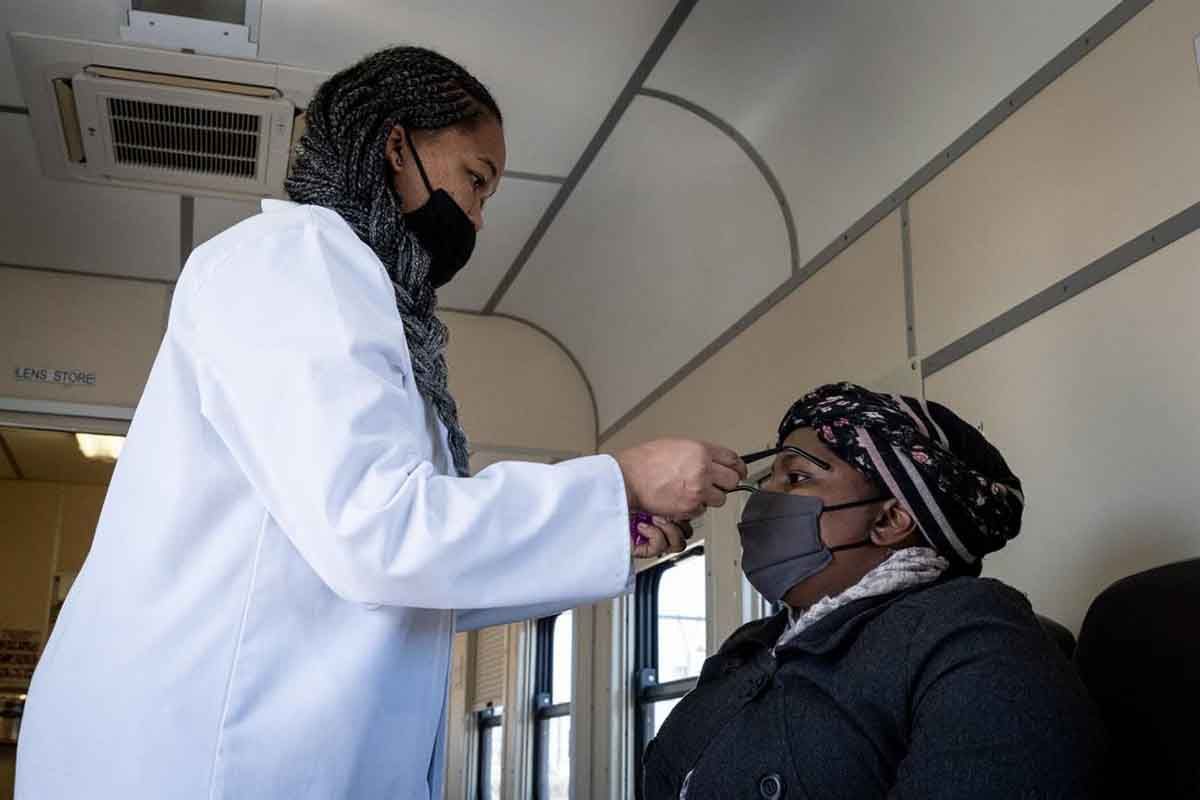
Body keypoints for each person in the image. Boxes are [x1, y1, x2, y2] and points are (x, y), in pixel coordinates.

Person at [15, 47, 745, 799]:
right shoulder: (293, 259)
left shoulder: (364, 303)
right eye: (476, 180)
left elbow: (416, 578)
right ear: (396, 146)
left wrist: (607, 530)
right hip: (203, 753)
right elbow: (378, 534)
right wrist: (617, 478)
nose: (478, 218)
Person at [643, 383, 1106, 799]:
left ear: (888, 520)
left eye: (797, 477)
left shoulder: (977, 635)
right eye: (769, 480)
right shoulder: (751, 644)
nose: (762, 497)